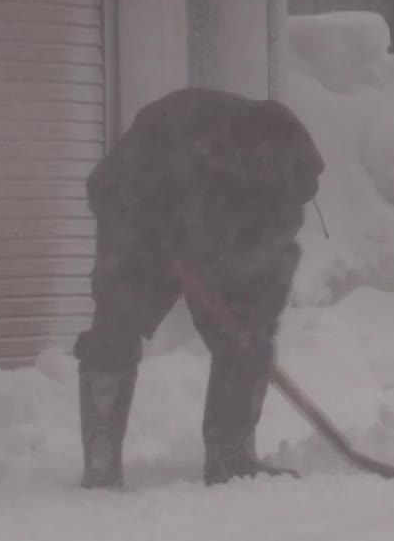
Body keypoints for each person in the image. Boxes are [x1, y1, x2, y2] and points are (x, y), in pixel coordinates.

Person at [73, 87, 325, 489]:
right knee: (113, 333)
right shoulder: (184, 129)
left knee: (247, 335)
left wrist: (254, 330)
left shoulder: (274, 181)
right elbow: (112, 187)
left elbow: (275, 256)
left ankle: (231, 456)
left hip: (208, 233)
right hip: (138, 223)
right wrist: (161, 241)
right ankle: (101, 460)